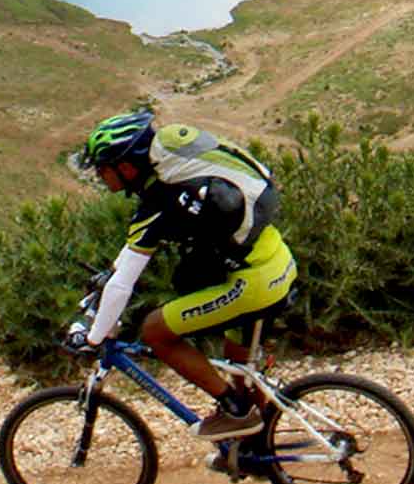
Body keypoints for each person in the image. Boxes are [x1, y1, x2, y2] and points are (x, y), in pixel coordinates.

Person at [67, 109, 297, 440]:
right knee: (240, 367)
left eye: (103, 170)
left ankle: (236, 412)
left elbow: (124, 282)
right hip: (276, 261)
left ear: (126, 167)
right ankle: (256, 451)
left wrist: (93, 338)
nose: (101, 178)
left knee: (156, 331)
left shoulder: (158, 203)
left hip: (254, 283)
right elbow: (122, 266)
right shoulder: (176, 171)